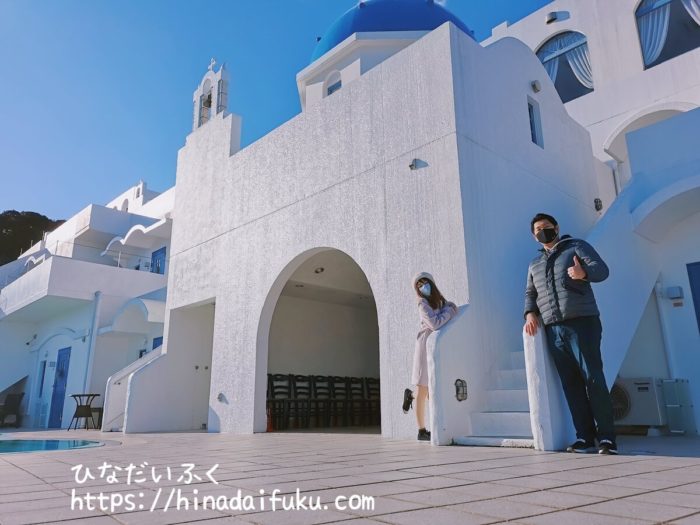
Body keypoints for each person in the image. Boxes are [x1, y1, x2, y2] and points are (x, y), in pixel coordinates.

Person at [524, 213, 617, 455]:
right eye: (538, 230)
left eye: (547, 227)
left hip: (583, 323)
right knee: (571, 385)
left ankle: (607, 438)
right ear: (534, 236)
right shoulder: (534, 264)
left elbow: (602, 270)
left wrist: (583, 273)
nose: (543, 232)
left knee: (593, 379)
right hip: (554, 329)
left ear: (556, 227)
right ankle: (584, 437)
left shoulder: (576, 247)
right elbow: (530, 293)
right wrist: (530, 314)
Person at [403, 272, 458, 441]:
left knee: (430, 389)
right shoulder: (422, 304)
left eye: (424, 283)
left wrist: (448, 308)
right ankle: (421, 431)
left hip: (435, 347)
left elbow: (448, 308)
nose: (422, 287)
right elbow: (434, 324)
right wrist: (448, 312)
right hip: (424, 345)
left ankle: (409, 395)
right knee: (423, 388)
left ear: (431, 283)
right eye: (418, 285)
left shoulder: (440, 301)